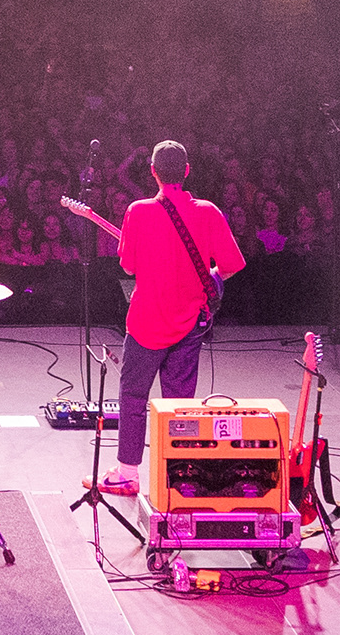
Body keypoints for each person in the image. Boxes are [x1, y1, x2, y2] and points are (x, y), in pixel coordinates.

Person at [105, 139, 247, 493]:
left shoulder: (137, 212)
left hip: (146, 323)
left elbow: (128, 265)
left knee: (134, 397)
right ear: (186, 171)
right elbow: (230, 266)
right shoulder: (209, 212)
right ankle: (177, 478)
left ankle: (127, 473)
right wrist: (208, 278)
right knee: (179, 406)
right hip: (189, 325)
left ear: (152, 172)